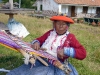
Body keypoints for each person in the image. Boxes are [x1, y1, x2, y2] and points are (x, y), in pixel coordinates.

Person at [6, 15, 86, 75]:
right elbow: (38, 40)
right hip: (41, 59)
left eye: (64, 24)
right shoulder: (50, 33)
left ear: (67, 27)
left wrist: (66, 51)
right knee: (20, 71)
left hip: (56, 65)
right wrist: (36, 43)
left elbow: (82, 53)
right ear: (54, 24)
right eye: (58, 23)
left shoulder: (70, 37)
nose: (61, 26)